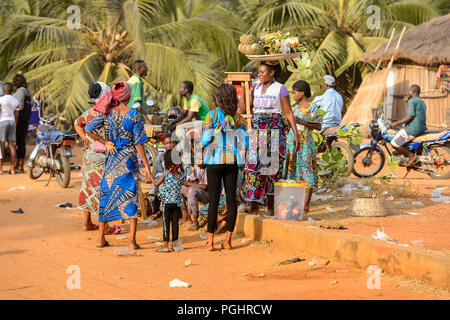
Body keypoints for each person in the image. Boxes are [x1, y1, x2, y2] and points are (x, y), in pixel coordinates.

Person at [86, 81, 151, 249]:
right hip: (128, 160)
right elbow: (139, 143)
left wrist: (105, 142)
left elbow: (89, 129)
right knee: (130, 197)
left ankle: (100, 239)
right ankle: (132, 241)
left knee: (106, 197)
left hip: (111, 160)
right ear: (128, 96)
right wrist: (146, 166)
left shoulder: (107, 113)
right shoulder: (134, 115)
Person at [242, 61, 299, 215]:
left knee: (271, 169)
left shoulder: (280, 89)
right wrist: (246, 91)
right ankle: (253, 204)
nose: (259, 75)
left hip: (274, 131)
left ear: (272, 73)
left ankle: (270, 207)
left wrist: (296, 134)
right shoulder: (255, 89)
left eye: (262, 72)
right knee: (252, 167)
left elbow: (288, 113)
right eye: (258, 72)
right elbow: (244, 108)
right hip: (257, 132)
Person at [202, 83, 248, 251]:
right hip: (233, 162)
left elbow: (205, 140)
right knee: (231, 200)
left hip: (214, 160)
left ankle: (210, 243)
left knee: (213, 200)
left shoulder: (211, 116)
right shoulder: (238, 118)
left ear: (219, 98)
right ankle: (228, 241)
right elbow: (245, 141)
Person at [74, 82, 121, 235]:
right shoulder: (108, 113)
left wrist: (86, 139)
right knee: (104, 191)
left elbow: (77, 124)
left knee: (88, 188)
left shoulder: (90, 112)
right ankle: (105, 228)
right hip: (103, 157)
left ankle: (87, 223)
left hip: (88, 157)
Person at [284, 80, 323, 213]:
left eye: (295, 93)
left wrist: (303, 122)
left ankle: (306, 205)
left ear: (303, 93)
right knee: (293, 172)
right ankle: (295, 202)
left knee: (307, 172)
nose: (293, 95)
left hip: (305, 144)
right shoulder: (294, 108)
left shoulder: (312, 107)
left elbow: (319, 126)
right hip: (292, 143)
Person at [148, 150, 186, 253]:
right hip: (176, 203)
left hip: (166, 203)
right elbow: (184, 183)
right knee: (175, 224)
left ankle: (165, 245)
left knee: (166, 224)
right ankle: (174, 245)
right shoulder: (182, 175)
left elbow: (156, 184)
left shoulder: (166, 174)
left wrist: (149, 176)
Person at [389, 84, 427, 167]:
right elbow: (409, 113)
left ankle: (411, 156)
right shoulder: (421, 102)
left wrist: (396, 123)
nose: (408, 92)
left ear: (413, 91)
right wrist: (406, 103)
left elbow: (410, 117)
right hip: (421, 128)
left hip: (412, 129)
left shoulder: (412, 101)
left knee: (394, 143)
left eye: (409, 90)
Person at [148, 133, 176, 220]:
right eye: (166, 144)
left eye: (171, 143)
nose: (169, 145)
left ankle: (161, 210)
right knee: (154, 189)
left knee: (162, 186)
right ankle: (155, 209)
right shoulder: (160, 156)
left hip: (174, 179)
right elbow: (158, 171)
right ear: (163, 145)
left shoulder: (178, 155)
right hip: (162, 178)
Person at [13, 74, 32, 173]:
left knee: (20, 142)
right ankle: (18, 164)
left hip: (19, 119)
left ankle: (20, 166)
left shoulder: (20, 91)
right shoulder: (27, 92)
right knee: (21, 142)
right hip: (25, 119)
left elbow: (20, 106)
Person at [181, 162, 208, 230]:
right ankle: (186, 217)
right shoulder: (197, 167)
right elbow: (189, 181)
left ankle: (195, 222)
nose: (197, 160)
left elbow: (205, 187)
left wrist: (187, 183)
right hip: (200, 191)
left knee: (192, 191)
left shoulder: (210, 168)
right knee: (179, 189)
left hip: (210, 194)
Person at [0, 83, 19, 175]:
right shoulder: (15, 100)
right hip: (12, 122)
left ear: (4, 90)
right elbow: (16, 114)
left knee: (2, 146)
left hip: (2, 122)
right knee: (11, 145)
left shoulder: (1, 100)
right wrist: (15, 124)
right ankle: (12, 169)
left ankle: (0, 169)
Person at [127, 59, 151, 124]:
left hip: (128, 116)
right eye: (145, 67)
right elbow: (137, 104)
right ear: (139, 69)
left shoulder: (131, 79)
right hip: (135, 119)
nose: (147, 68)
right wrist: (147, 119)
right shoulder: (137, 82)